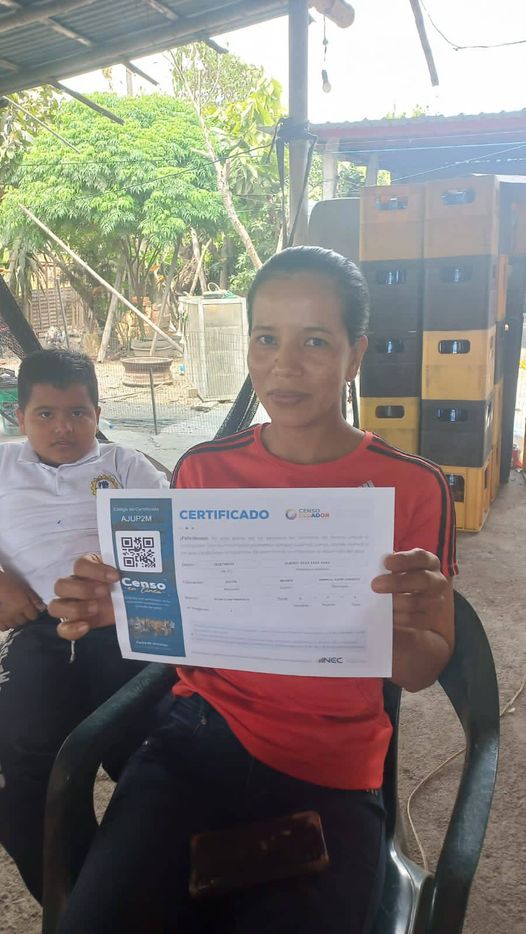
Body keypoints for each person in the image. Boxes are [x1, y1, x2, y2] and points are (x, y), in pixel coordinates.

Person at [50, 248, 457, 934]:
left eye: (315, 342)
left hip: (331, 762)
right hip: (194, 738)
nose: (283, 365)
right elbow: (186, 621)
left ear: (355, 355)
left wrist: (409, 621)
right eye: (266, 338)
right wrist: (117, 606)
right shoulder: (204, 470)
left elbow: (419, 671)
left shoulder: (413, 486)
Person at [0, 349, 169, 903]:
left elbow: (173, 544)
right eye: (45, 414)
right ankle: (80, 903)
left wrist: (129, 597)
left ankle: (151, 884)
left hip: (125, 624)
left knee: (153, 753)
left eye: (78, 413)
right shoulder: (3, 467)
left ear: (98, 413)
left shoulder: (127, 467)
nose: (63, 428)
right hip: (39, 631)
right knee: (23, 765)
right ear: (20, 417)